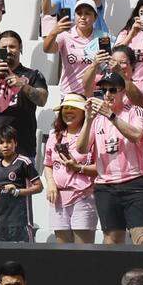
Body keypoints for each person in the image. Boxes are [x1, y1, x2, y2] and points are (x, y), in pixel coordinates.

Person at [76, 71, 143, 245]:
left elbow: (136, 135)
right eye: (104, 90)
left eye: (112, 90)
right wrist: (88, 120)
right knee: (111, 240)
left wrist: (111, 116)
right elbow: (81, 148)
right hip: (106, 185)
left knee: (142, 238)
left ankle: (142, 273)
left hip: (135, 180)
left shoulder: (135, 110)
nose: (108, 94)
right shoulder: (96, 119)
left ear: (123, 92)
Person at [0, 31, 48, 162]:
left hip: (23, 148)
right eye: (4, 47)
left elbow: (42, 100)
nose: (8, 50)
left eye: (12, 47)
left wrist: (22, 85)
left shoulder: (33, 74)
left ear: (20, 48)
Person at [42, 94, 96, 244]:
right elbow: (47, 164)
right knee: (62, 251)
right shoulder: (54, 136)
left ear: (83, 111)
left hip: (83, 196)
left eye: (73, 108)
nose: (68, 111)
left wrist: (79, 168)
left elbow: (101, 167)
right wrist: (51, 184)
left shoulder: (93, 134)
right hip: (58, 198)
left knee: (82, 251)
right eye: (66, 108)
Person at [0, 126, 41, 242]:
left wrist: (17, 191)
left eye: (9, 142)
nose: (5, 145)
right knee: (3, 255)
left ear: (16, 143)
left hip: (21, 219)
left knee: (23, 254)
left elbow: (39, 187)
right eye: (1, 142)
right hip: (1, 220)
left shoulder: (23, 162)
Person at [44, 0, 99, 96]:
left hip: (95, 95)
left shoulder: (102, 37)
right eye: (79, 13)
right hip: (69, 94)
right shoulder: (65, 35)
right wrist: (53, 32)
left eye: (87, 13)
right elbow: (47, 49)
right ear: (74, 16)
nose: (82, 17)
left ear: (95, 17)